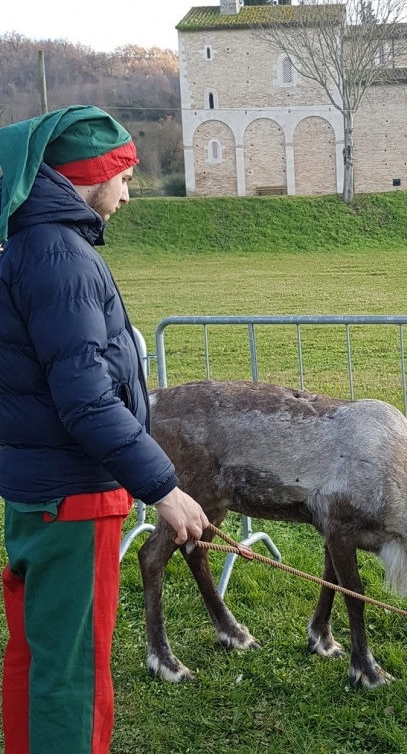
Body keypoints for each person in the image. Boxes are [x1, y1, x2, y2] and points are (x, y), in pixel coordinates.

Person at [0, 105, 210, 754]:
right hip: (75, 500)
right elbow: (87, 402)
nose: (128, 189)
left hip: (40, 493)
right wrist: (165, 490)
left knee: (38, 656)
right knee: (74, 675)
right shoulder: (61, 259)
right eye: (121, 173)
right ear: (88, 175)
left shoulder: (32, 248)